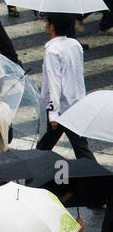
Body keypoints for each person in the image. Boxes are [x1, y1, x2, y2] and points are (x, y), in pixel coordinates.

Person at [37, 13, 96, 161]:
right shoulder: (75, 45)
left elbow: (54, 82)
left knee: (42, 149)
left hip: (59, 109)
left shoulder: (52, 51)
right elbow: (77, 76)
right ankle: (97, 177)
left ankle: (30, 178)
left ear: (52, 26)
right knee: (82, 150)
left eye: (47, 22)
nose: (45, 24)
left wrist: (53, 113)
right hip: (75, 105)